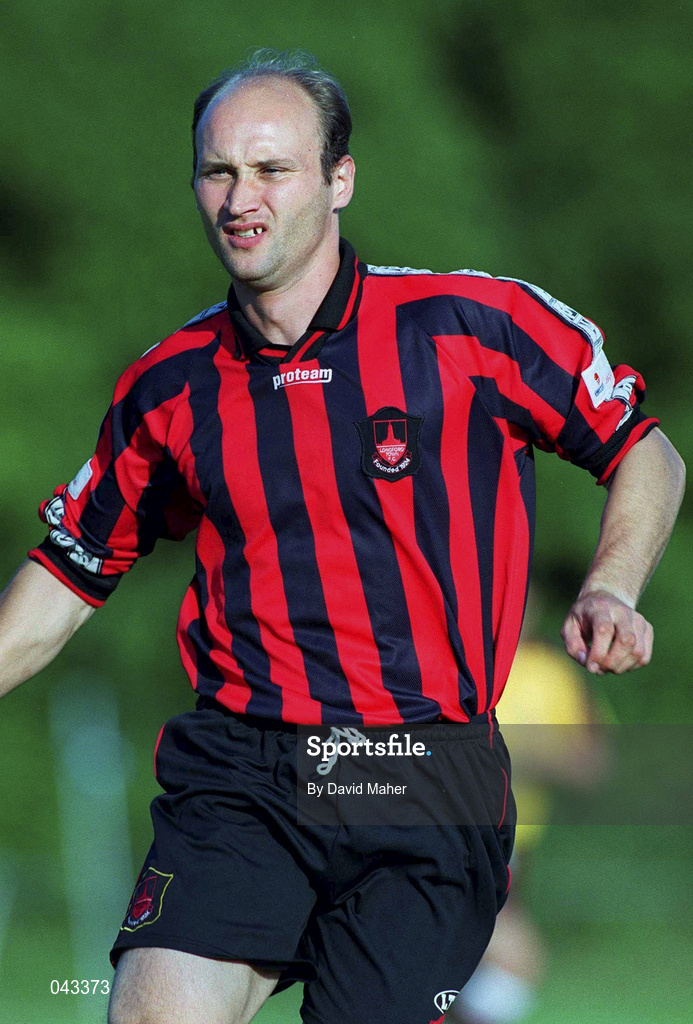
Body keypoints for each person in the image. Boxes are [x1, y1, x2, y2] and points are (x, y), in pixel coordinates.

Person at [0, 49, 685, 1024]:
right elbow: (70, 572)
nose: (241, 198)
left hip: (423, 774)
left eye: (272, 169)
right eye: (218, 171)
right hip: (242, 770)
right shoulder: (169, 386)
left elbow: (642, 448)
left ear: (339, 179)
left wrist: (612, 584)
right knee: (152, 1011)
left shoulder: (470, 326)